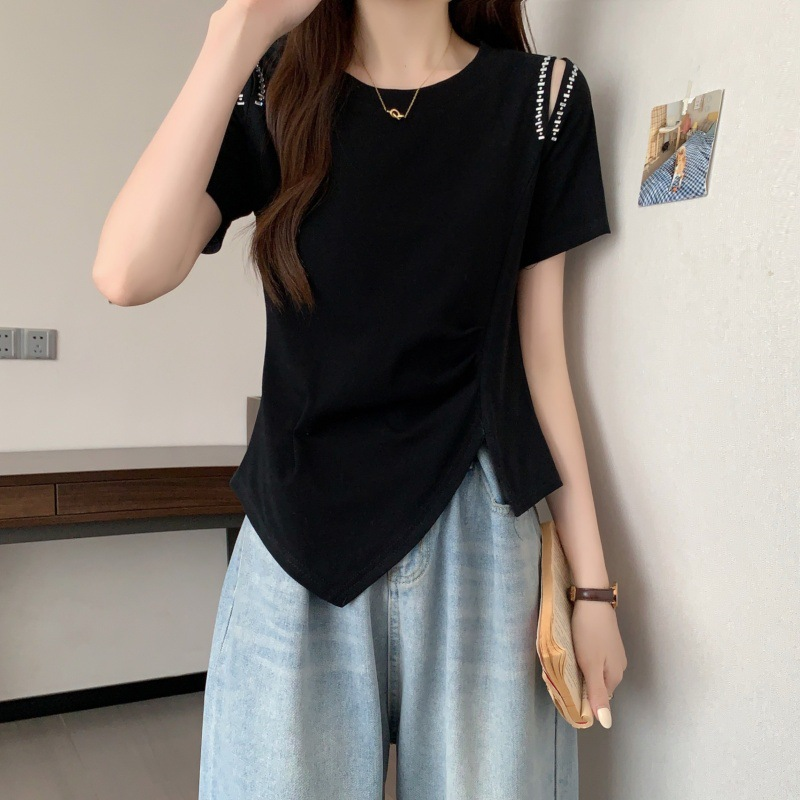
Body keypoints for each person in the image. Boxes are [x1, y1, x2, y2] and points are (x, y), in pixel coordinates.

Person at [92, 0, 628, 797]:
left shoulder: (542, 101)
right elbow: (126, 272)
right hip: (296, 537)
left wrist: (592, 588)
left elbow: (543, 359)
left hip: (478, 538)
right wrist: (235, 31)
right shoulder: (278, 89)